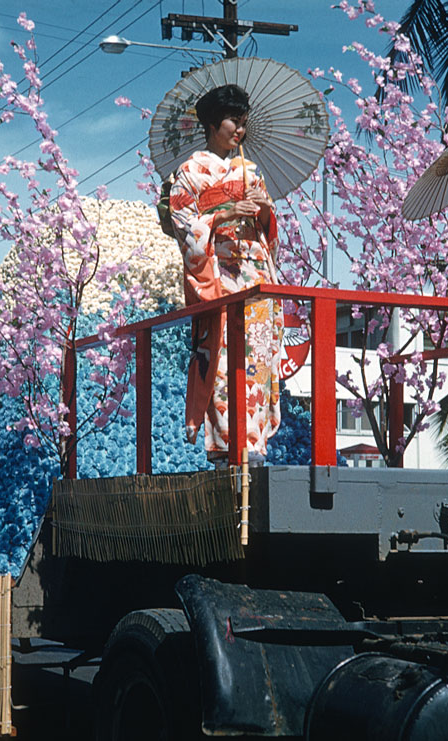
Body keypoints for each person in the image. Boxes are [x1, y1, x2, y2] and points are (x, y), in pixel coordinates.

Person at [168, 83, 283, 466]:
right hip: (218, 277)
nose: (240, 131)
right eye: (234, 121)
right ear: (213, 123)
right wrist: (226, 213)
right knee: (222, 362)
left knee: (257, 360)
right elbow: (185, 228)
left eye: (244, 123)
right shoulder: (189, 173)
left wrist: (263, 210)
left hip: (254, 274)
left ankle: (256, 446)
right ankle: (226, 448)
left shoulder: (250, 171)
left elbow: (268, 231)